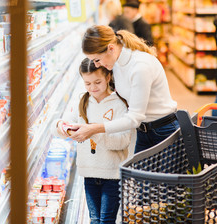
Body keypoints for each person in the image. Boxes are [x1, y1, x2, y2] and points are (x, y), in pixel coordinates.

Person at [69, 25, 178, 154]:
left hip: (164, 131)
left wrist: (94, 129)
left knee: (162, 174)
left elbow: (134, 118)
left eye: (97, 60)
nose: (97, 65)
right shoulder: (116, 63)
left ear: (111, 48)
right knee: (139, 174)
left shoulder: (140, 67)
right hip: (143, 131)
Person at [51, 58, 131, 224]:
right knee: (94, 219)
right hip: (88, 173)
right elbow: (58, 127)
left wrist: (93, 131)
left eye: (97, 82)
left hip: (112, 175)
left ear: (108, 77)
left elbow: (122, 142)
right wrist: (63, 127)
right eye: (87, 83)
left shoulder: (119, 104)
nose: (92, 88)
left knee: (106, 220)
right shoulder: (82, 101)